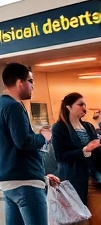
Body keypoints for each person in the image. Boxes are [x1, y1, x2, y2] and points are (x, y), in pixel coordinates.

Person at [0, 62, 60, 225]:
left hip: (7, 180)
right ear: (20, 82)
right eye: (31, 81)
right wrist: (43, 136)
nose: (33, 86)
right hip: (25, 181)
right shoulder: (13, 106)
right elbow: (23, 142)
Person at [50, 92, 101, 223]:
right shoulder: (59, 128)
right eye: (80, 104)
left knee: (96, 216)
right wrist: (84, 151)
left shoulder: (88, 126)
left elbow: (96, 152)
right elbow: (60, 156)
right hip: (72, 179)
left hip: (93, 177)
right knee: (77, 219)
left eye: (85, 104)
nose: (84, 107)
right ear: (68, 107)